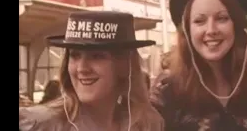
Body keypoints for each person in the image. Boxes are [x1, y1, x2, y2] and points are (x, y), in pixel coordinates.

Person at [150, 0, 247, 131]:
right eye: (199, 21)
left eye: (222, 18)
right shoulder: (166, 92)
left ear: (237, 24)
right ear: (187, 32)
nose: (211, 30)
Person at [19, 11, 164, 131]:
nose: (82, 68)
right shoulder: (37, 125)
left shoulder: (147, 124)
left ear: (124, 64)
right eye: (75, 55)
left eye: (97, 56)